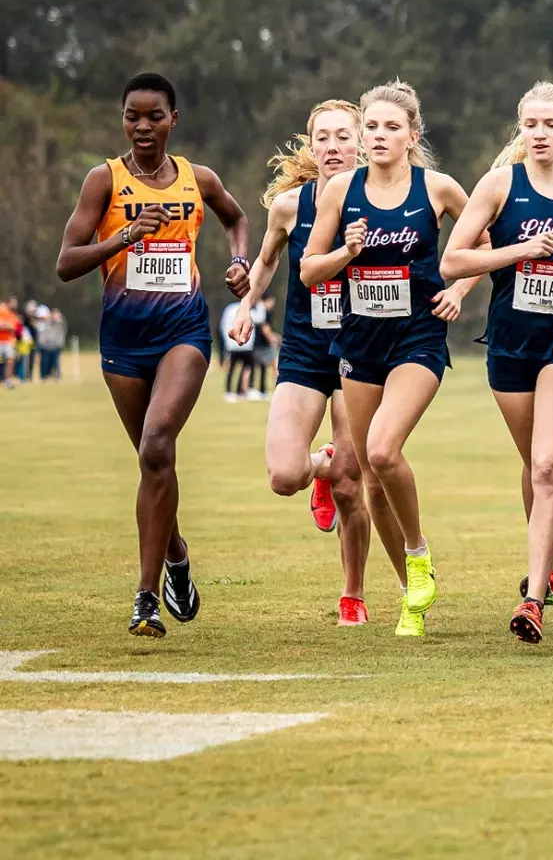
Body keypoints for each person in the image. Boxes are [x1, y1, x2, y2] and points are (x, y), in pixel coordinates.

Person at [54, 72, 252, 636]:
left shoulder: (198, 178)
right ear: (123, 120)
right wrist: (125, 237)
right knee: (153, 462)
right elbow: (66, 263)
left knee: (157, 442)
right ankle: (177, 555)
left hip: (184, 332)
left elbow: (236, 220)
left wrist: (239, 262)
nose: (142, 126)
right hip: (123, 342)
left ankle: (145, 598)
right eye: (132, 116)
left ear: (173, 120)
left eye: (154, 116)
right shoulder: (104, 180)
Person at [302, 80, 476, 637]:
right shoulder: (340, 192)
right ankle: (411, 593)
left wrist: (459, 291)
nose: (379, 136)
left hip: (417, 340)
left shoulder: (439, 188)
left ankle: (418, 551)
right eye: (371, 127)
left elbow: (486, 244)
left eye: (391, 127)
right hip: (358, 343)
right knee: (372, 475)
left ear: (412, 135)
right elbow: (309, 272)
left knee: (381, 448)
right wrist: (346, 252)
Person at [444, 82, 553, 643]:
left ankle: (534, 599)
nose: (539, 135)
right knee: (545, 467)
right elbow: (453, 260)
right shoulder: (499, 185)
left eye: (551, 125)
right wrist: (519, 251)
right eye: (530, 125)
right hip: (512, 345)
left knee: (541, 468)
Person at [228, 99, 396, 625]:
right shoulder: (288, 207)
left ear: (363, 143)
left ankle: (353, 593)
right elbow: (268, 260)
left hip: (358, 352)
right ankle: (315, 470)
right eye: (321, 138)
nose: (332, 147)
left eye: (344, 136)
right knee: (284, 474)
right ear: (310, 146)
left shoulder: (386, 203)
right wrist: (247, 307)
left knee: (352, 479)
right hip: (302, 351)